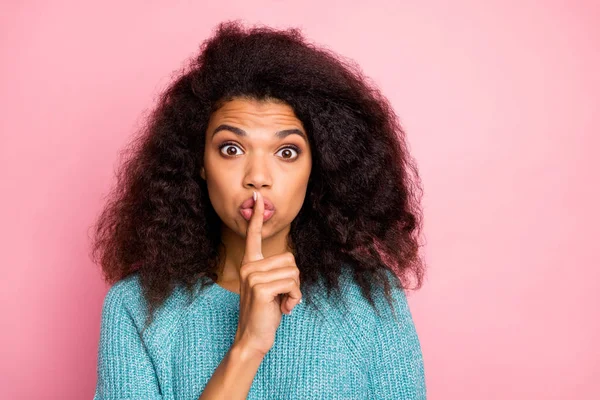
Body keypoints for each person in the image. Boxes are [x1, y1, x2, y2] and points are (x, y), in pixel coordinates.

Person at [90, 20, 427, 400]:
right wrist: (248, 345)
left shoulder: (369, 302)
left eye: (287, 152)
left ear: (319, 167)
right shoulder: (136, 311)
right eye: (231, 149)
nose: (258, 178)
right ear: (198, 162)